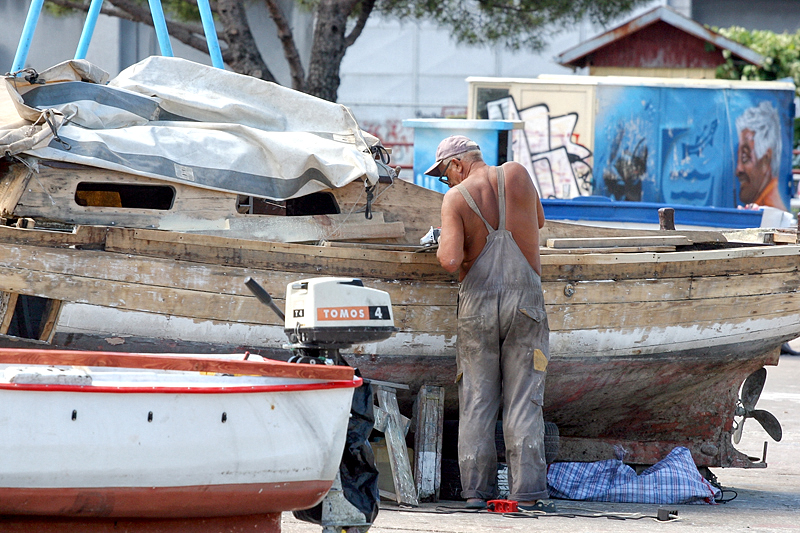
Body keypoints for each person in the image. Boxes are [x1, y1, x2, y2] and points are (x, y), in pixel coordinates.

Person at [426, 135, 550, 510]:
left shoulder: (455, 198)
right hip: (525, 303)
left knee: (478, 400)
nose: (446, 182)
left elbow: (450, 261)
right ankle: (526, 493)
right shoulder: (518, 174)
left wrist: (446, 239)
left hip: (477, 307)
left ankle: (475, 493)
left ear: (458, 164)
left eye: (445, 174)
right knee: (524, 398)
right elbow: (539, 221)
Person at [735, 101, 787, 211]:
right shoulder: (766, 210)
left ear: (766, 160)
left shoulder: (767, 214)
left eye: (745, 158)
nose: (738, 169)